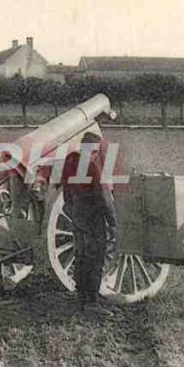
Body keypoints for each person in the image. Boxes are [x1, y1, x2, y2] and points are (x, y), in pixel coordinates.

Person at [61, 132, 118, 317]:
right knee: (96, 259)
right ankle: (92, 303)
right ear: (93, 149)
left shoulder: (69, 163)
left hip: (77, 214)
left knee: (81, 257)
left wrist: (71, 210)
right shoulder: (92, 166)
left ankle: (81, 300)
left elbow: (65, 191)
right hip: (93, 216)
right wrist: (113, 222)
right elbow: (105, 197)